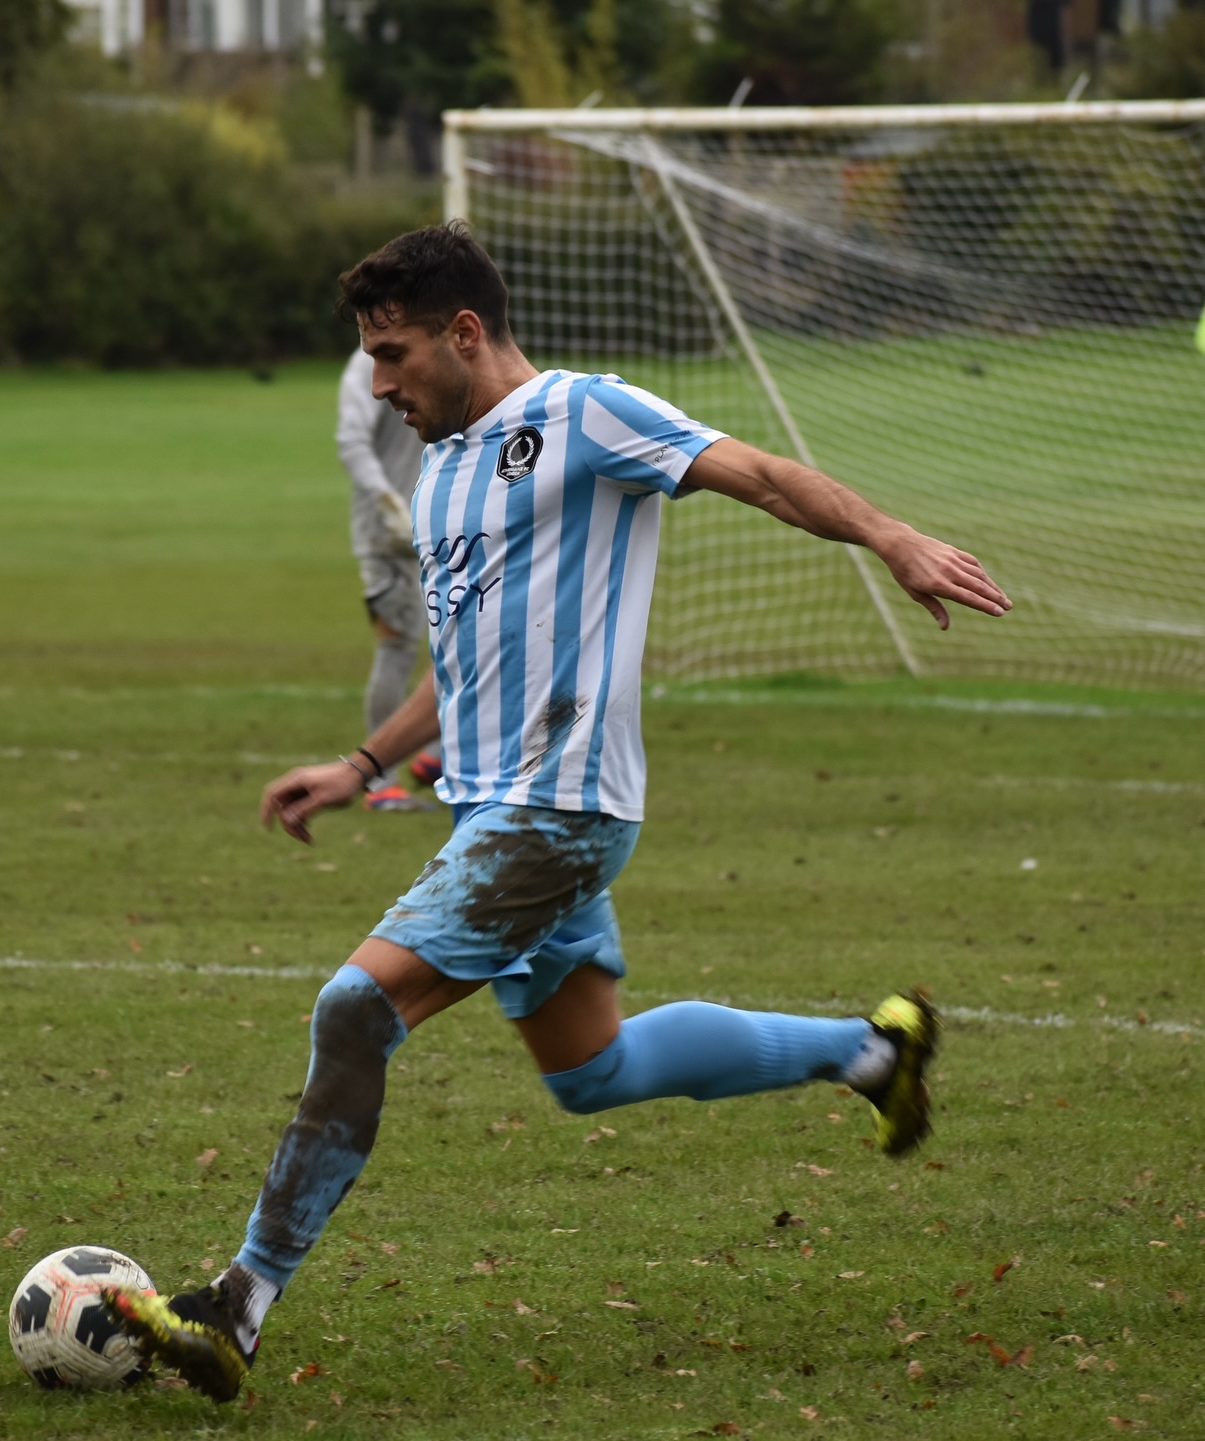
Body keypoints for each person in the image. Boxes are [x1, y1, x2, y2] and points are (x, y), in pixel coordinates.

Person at [104, 223, 1012, 1402]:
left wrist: (893, 537)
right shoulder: (437, 476)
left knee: (353, 1009)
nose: (380, 385)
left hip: (559, 812)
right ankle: (871, 1052)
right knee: (593, 1068)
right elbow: (466, 662)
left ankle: (238, 1305)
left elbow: (767, 475)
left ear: (465, 333)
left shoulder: (588, 415)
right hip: (494, 814)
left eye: (393, 354)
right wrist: (361, 762)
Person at [336, 344, 441, 810]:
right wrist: (385, 501)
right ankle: (383, 783)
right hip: (387, 537)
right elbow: (351, 443)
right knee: (397, 647)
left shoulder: (434, 359)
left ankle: (438, 758)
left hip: (438, 522)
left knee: (461, 638)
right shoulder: (366, 369)